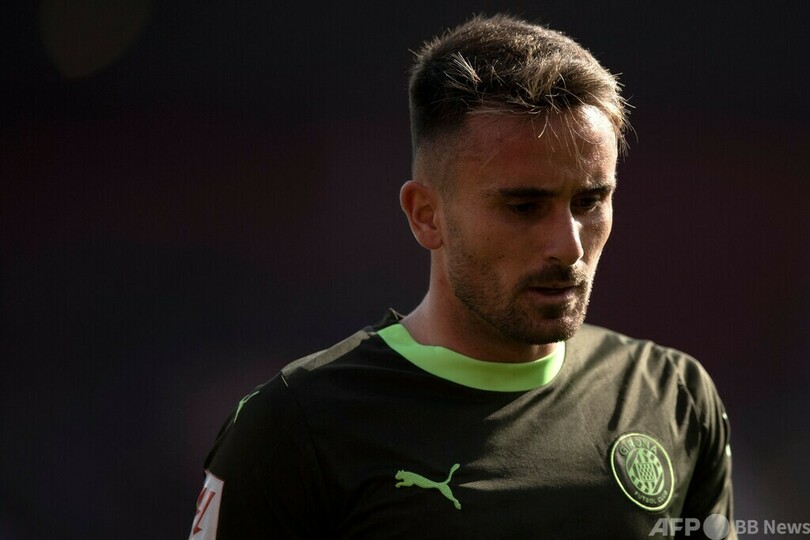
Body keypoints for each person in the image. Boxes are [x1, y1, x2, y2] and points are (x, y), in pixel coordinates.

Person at [190, 13, 734, 539]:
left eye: (590, 202)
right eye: (524, 207)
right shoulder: (298, 427)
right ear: (426, 215)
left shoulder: (674, 396)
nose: (568, 246)